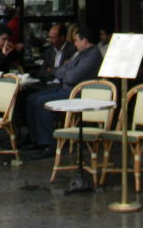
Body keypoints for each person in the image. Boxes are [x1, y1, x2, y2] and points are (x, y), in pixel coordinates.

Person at [26, 25, 104, 158]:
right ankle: (36, 139)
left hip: (78, 92)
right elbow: (62, 70)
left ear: (84, 41)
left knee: (41, 102)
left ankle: (48, 143)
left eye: (77, 41)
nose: (75, 44)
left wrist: (64, 72)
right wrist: (64, 72)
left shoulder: (93, 55)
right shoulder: (81, 53)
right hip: (66, 87)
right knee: (31, 99)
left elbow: (71, 76)